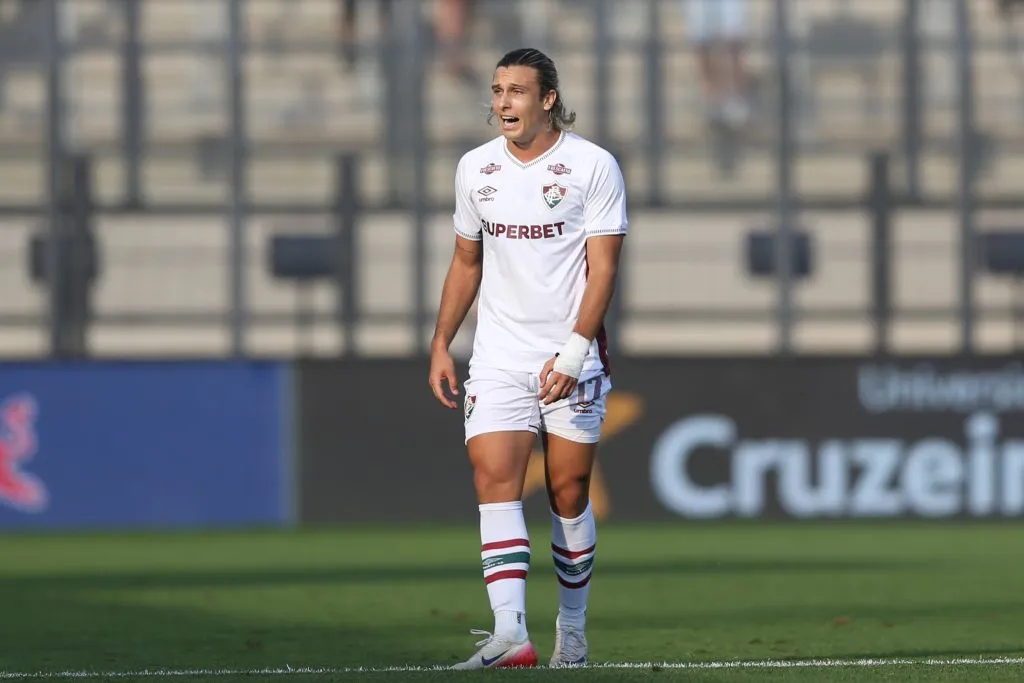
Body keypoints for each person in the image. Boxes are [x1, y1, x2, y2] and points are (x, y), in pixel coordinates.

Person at [427, 47, 628, 670]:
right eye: (496, 90)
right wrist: (441, 341)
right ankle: (511, 632)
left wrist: (573, 351)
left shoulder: (592, 166)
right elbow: (466, 262)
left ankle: (572, 627)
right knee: (493, 479)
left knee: (568, 492)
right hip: (496, 356)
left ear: (547, 99)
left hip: (570, 356)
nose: (503, 102)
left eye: (517, 91)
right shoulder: (475, 169)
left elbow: (604, 269)